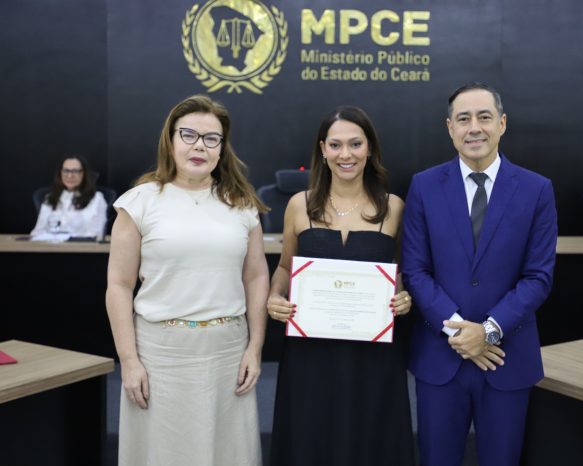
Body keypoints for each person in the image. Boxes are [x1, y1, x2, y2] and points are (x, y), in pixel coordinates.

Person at [105, 95, 269, 466]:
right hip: (160, 356)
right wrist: (128, 361)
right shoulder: (139, 202)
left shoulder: (242, 203)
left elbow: (257, 276)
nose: (199, 146)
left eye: (211, 138)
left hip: (228, 354)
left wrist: (255, 347)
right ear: (170, 139)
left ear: (222, 148)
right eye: (189, 134)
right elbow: (119, 285)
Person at [401, 83, 558, 466]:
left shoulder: (537, 189)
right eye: (463, 119)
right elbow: (416, 270)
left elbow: (538, 277)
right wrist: (460, 331)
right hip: (441, 357)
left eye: (484, 117)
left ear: (501, 123)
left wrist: (487, 331)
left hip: (506, 357)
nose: (474, 127)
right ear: (450, 128)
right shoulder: (424, 186)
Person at [266, 106, 415, 466]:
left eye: (355, 144)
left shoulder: (394, 207)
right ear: (323, 150)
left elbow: (399, 271)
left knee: (372, 439)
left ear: (370, 148)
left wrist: (403, 296)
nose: (345, 154)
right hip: (311, 353)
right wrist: (274, 296)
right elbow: (285, 266)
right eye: (335, 145)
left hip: (373, 355)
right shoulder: (299, 205)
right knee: (310, 436)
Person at [30, 155, 107, 237]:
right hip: (51, 244)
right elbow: (37, 232)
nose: (70, 175)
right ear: (60, 173)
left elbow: (96, 234)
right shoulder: (49, 198)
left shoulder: (97, 199)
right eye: (66, 171)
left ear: (84, 174)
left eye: (75, 171)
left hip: (82, 245)